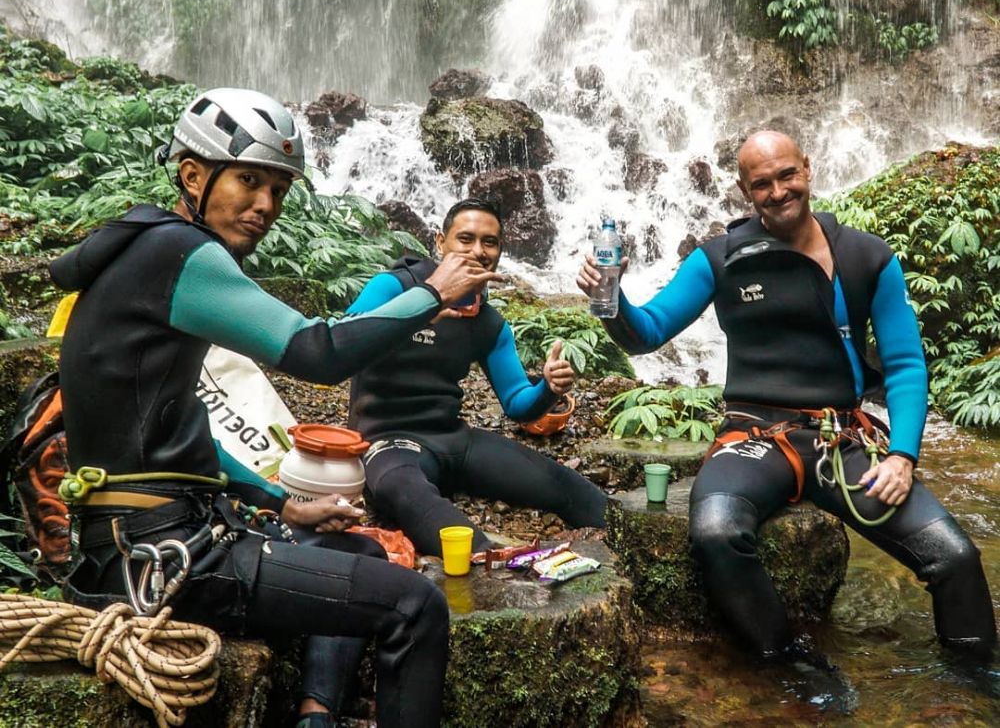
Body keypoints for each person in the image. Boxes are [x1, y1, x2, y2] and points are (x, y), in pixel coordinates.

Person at [50, 88, 502, 728]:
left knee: (365, 555)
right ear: (192, 176)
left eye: (279, 189)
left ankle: (317, 715)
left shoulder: (143, 244)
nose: (266, 206)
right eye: (248, 181)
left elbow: (170, 428)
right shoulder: (180, 253)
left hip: (136, 544)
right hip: (166, 557)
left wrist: (281, 503)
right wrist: (432, 290)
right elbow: (317, 352)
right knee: (415, 606)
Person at [577, 131, 996, 673]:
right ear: (744, 190)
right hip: (755, 437)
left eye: (786, 175)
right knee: (716, 531)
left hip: (840, 440)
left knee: (954, 556)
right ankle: (789, 661)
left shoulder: (867, 256)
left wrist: (903, 454)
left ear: (808, 168)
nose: (777, 192)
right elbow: (649, 331)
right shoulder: (721, 257)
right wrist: (609, 303)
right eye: (762, 184)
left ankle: (972, 680)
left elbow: (905, 365)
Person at [346, 198, 608, 557]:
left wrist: (548, 388)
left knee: (560, 483)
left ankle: (633, 536)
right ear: (440, 242)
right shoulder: (393, 286)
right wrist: (416, 312)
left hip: (452, 439)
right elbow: (341, 341)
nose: (478, 251)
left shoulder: (489, 323)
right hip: (386, 439)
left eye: (490, 242)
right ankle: (491, 562)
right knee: (402, 488)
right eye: (465, 239)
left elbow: (518, 405)